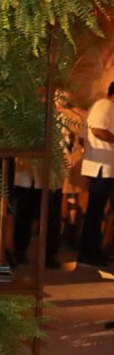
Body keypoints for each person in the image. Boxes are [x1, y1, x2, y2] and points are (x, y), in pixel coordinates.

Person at [78, 81, 114, 267]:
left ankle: (92, 250)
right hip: (102, 167)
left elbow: (82, 138)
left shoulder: (100, 106)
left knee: (96, 211)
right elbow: (98, 130)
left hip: (101, 166)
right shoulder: (105, 105)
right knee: (95, 212)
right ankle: (89, 252)